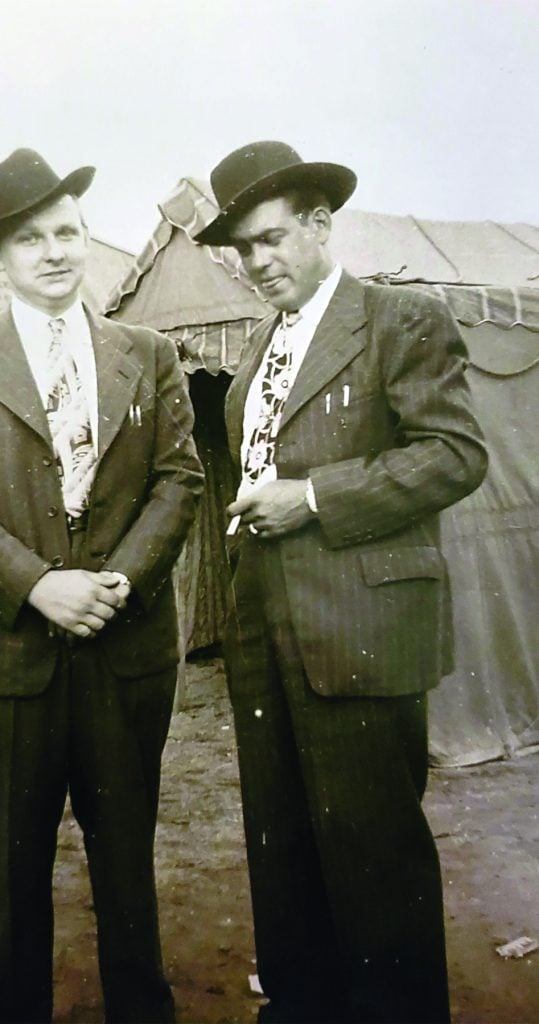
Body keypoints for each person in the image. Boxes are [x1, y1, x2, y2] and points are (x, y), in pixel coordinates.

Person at [0, 148, 203, 1024]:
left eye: (66, 231)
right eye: (29, 239)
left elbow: (179, 479)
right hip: (6, 659)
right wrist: (40, 587)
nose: (54, 251)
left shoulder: (146, 353)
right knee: (12, 869)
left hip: (125, 649)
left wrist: (117, 581)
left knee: (127, 868)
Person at [194, 141, 488, 1024]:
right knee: (281, 852)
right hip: (263, 640)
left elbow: (455, 454)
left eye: (272, 239)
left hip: (361, 633)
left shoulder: (397, 320)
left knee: (374, 861)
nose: (258, 263)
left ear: (321, 225)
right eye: (243, 249)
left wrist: (314, 498)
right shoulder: (258, 348)